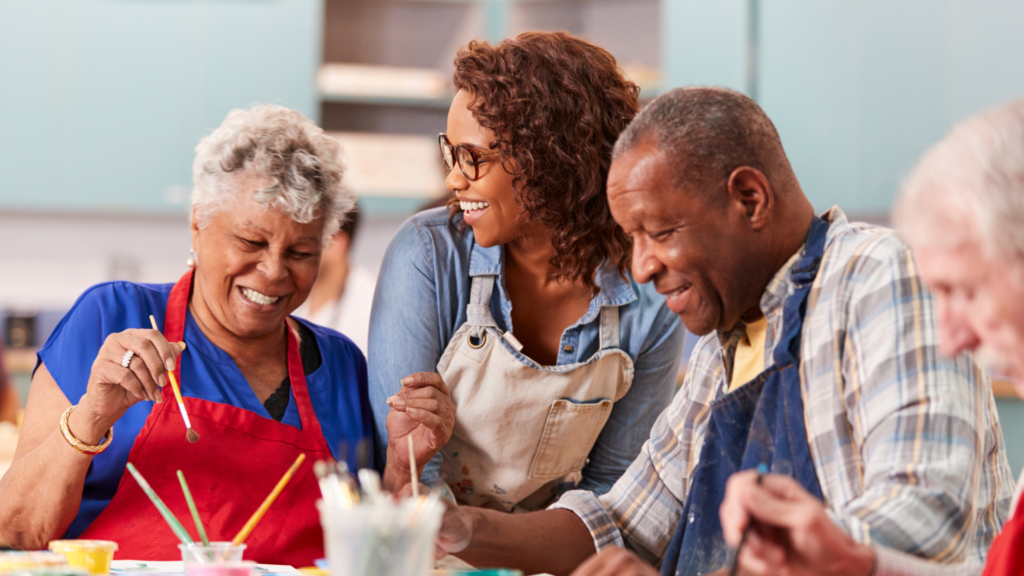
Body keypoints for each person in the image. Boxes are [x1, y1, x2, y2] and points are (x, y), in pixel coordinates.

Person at [426, 87, 1013, 576]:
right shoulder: (723, 344)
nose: (641, 266)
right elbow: (625, 525)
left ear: (750, 199)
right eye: (630, 238)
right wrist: (457, 528)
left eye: (658, 231)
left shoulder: (876, 275)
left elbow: (928, 516)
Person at [0, 105, 423, 566]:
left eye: (300, 251)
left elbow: (372, 555)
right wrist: (92, 417)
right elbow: (16, 529)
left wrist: (402, 467)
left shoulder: (341, 365)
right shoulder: (109, 317)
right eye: (251, 242)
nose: (273, 272)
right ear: (198, 222)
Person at [369, 31, 685, 510]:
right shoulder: (427, 257)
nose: (454, 179)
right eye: (450, 152)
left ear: (552, 158)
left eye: (473, 158)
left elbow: (613, 500)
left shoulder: (649, 294)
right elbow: (408, 482)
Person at [717, 98, 1024, 576]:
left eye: (963, 291)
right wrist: (855, 561)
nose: (951, 340)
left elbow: (928, 511)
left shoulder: (875, 269)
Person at [293, 203, 377, 355]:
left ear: (336, 244)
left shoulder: (372, 313)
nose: (294, 249)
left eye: (304, 239)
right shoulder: (294, 293)